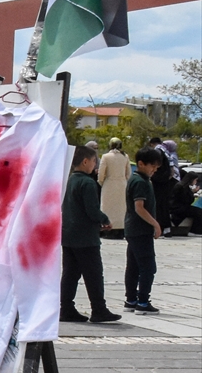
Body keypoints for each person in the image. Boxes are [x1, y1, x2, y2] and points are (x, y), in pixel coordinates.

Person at [60, 146, 121, 324]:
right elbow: (92, 210)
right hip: (85, 237)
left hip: (69, 234)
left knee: (70, 273)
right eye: (94, 161)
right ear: (85, 161)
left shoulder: (69, 180)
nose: (95, 165)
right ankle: (98, 308)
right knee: (94, 273)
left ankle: (66, 308)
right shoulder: (87, 183)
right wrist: (104, 219)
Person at [124, 147, 163, 314]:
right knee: (148, 267)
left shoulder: (136, 179)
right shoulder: (140, 182)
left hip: (132, 229)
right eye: (152, 166)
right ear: (141, 164)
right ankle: (142, 301)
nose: (154, 170)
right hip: (140, 230)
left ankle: (131, 299)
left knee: (133, 267)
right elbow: (139, 207)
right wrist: (155, 224)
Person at [97, 137, 129, 237]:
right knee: (121, 208)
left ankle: (108, 228)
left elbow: (101, 173)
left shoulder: (106, 156)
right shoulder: (125, 157)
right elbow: (128, 174)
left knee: (108, 207)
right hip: (122, 184)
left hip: (109, 184)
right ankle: (121, 229)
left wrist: (102, 182)